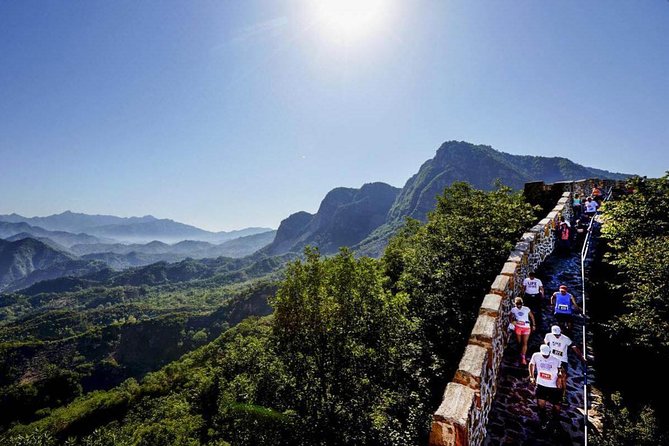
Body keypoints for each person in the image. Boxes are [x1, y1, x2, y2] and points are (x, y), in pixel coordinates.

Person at [529, 344, 565, 430]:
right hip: (541, 384)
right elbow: (531, 364)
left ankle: (554, 421)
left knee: (557, 406)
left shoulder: (556, 359)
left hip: (554, 387)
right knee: (541, 403)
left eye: (547, 355)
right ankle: (543, 420)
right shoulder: (535, 355)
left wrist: (559, 378)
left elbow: (561, 371)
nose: (545, 356)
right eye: (544, 355)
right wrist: (531, 376)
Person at [511, 297, 536, 365]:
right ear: (515, 304)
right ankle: (520, 355)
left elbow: (532, 316)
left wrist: (533, 325)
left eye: (520, 304)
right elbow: (510, 317)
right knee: (519, 342)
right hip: (518, 327)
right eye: (517, 304)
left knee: (525, 343)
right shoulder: (513, 310)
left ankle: (523, 357)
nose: (519, 305)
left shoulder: (526, 309)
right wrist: (513, 322)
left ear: (522, 303)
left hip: (526, 327)